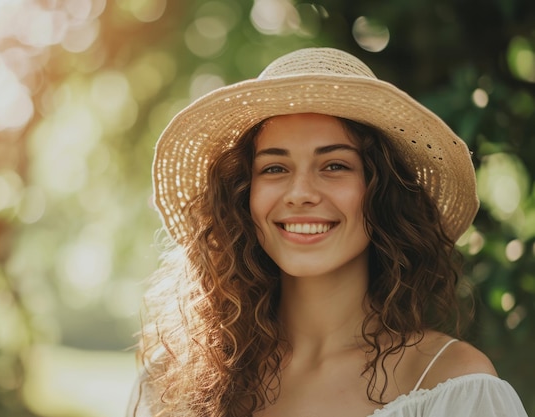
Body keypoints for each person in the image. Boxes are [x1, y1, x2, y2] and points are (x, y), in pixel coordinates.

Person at [127, 48, 529, 417]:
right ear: (243, 197)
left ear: (382, 192)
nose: (300, 194)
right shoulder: (174, 382)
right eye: (274, 168)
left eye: (334, 165)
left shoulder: (454, 385)